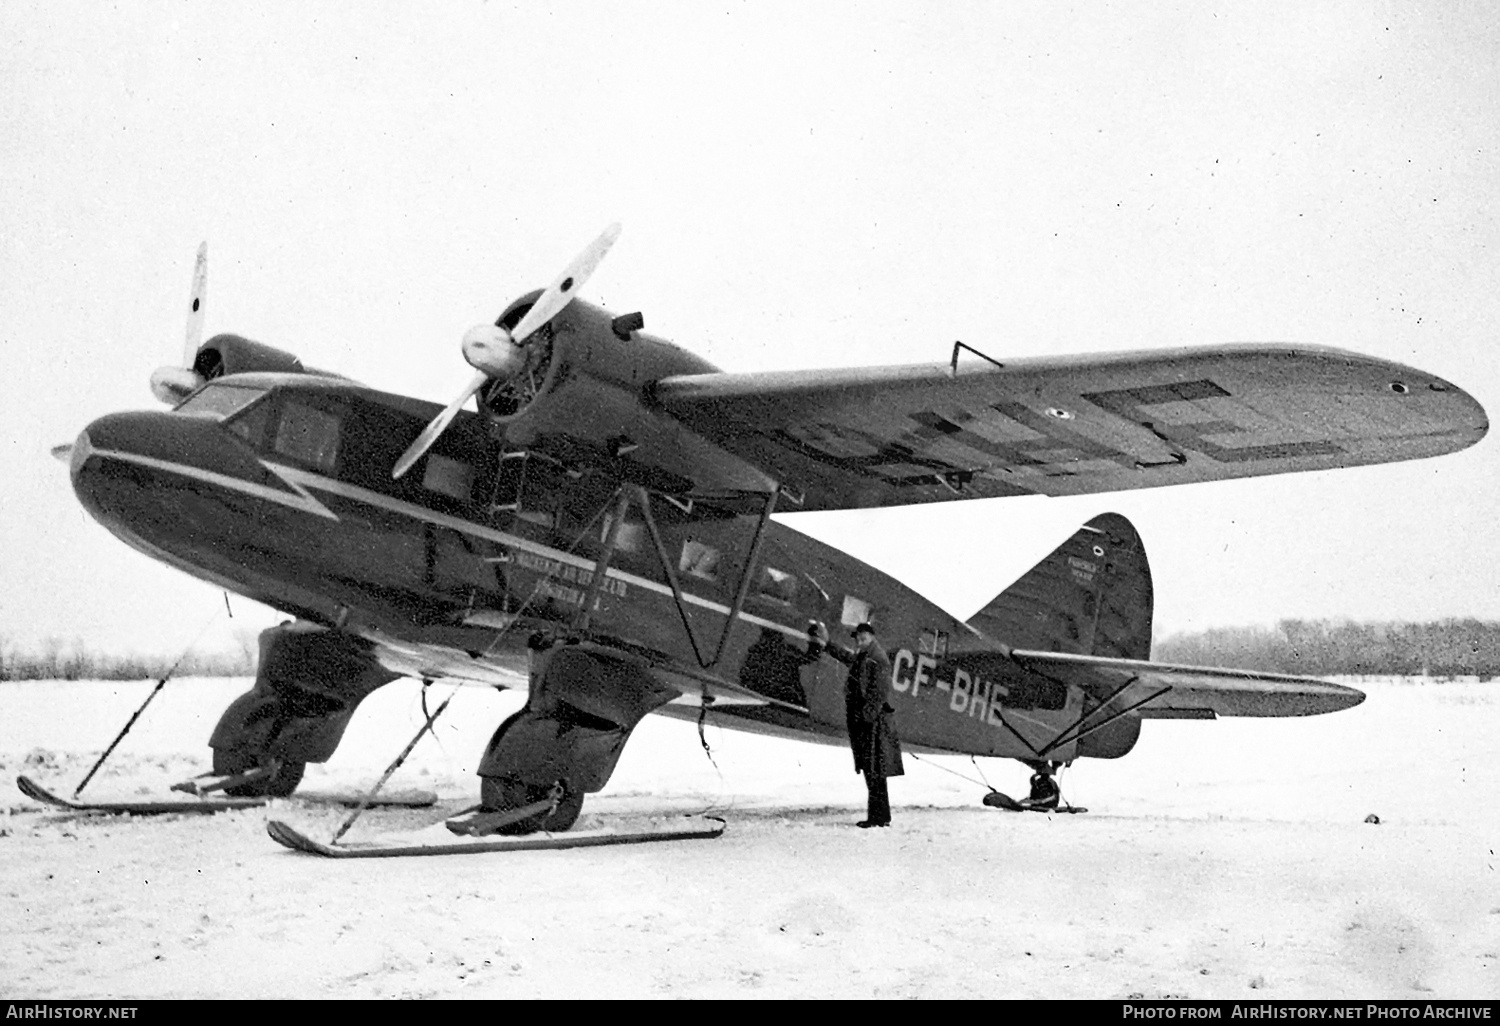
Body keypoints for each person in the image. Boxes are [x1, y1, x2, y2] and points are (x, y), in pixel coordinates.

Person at [807, 620, 904, 827]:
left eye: (864, 638)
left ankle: (878, 818)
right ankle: (880, 817)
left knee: (874, 770)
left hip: (872, 723)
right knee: (872, 771)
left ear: (872, 637)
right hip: (866, 720)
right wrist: (827, 644)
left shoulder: (878, 659)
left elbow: (879, 694)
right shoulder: (866, 655)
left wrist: (866, 718)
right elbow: (848, 658)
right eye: (858, 639)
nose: (860, 642)